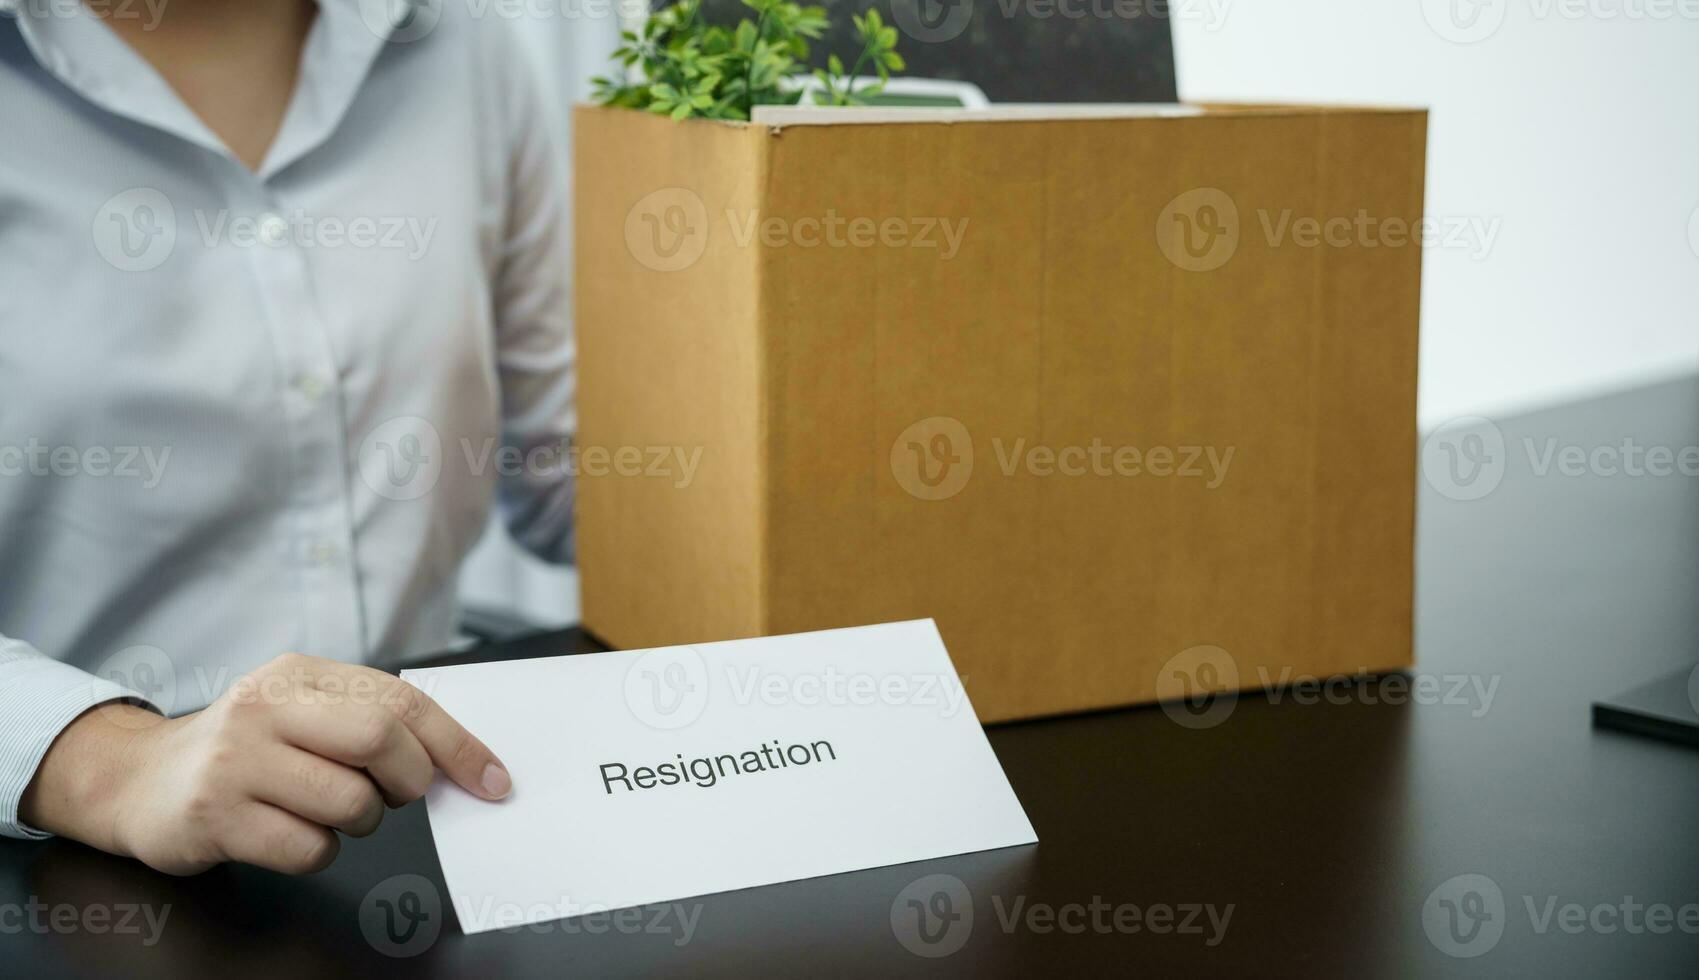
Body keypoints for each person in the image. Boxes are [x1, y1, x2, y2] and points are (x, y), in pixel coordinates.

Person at [0, 0, 576, 875]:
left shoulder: (459, 42)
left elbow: (568, 472)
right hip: (77, 853)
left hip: (433, 809)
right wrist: (104, 761)